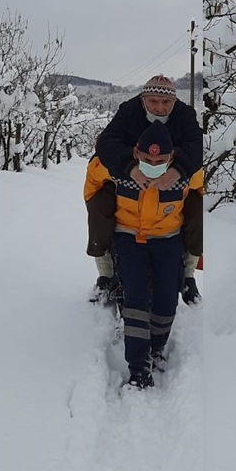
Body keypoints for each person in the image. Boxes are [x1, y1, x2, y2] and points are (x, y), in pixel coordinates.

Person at [85, 122, 205, 389]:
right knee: (135, 300)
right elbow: (93, 180)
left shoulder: (186, 174)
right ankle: (139, 368)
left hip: (168, 239)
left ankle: (157, 348)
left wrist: (191, 260)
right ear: (136, 153)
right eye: (147, 158)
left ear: (171, 157)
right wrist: (98, 211)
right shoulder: (117, 168)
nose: (153, 163)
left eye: (160, 159)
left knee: (165, 299)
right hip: (128, 238)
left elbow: (199, 197)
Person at [88, 75, 205, 306]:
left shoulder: (185, 115)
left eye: (166, 103)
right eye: (153, 101)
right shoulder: (128, 111)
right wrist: (129, 168)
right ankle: (106, 272)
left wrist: (177, 169)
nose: (159, 108)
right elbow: (105, 143)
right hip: (129, 173)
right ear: (143, 100)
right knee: (99, 206)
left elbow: (200, 145)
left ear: (174, 102)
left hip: (172, 174)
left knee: (198, 209)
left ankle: (189, 274)